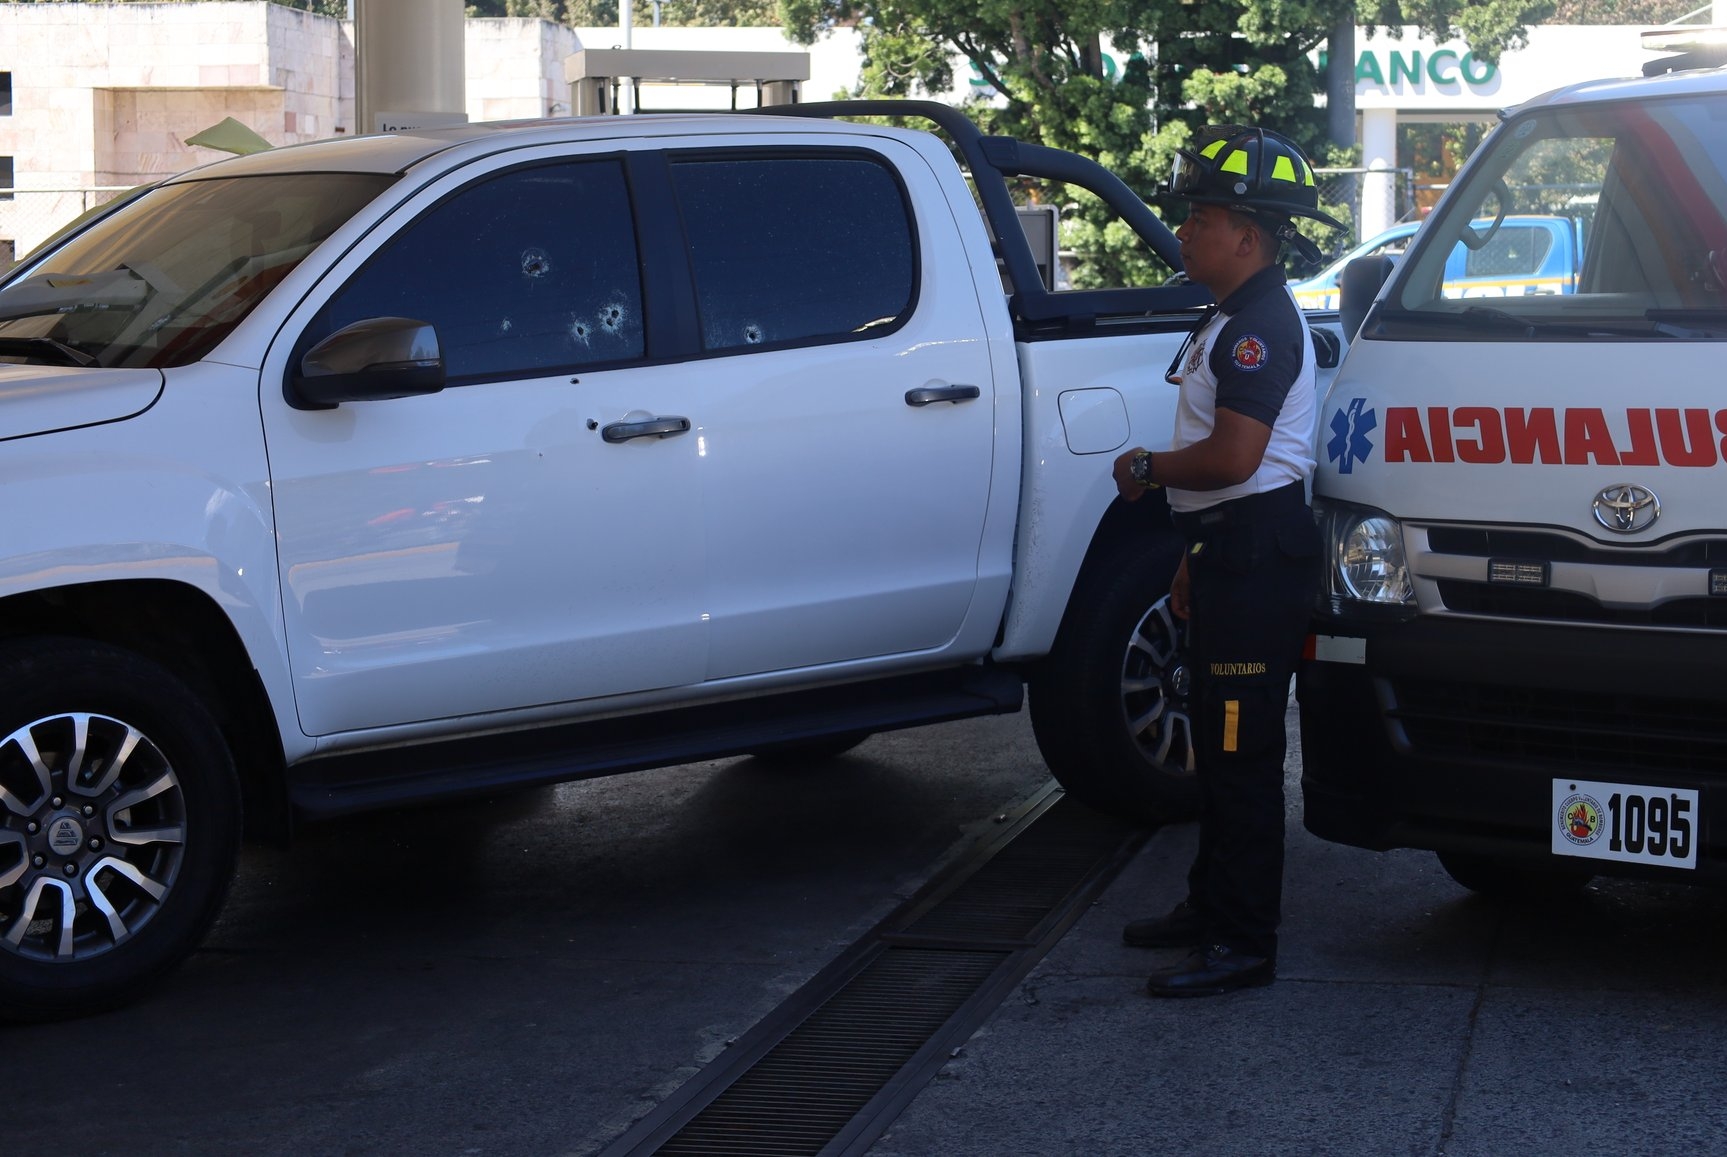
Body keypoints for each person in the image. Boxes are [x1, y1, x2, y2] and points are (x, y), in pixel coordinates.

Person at [1111, 125, 1344, 997]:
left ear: (1245, 236)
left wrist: (1144, 469)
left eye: (1198, 218)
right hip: (1227, 551)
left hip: (1254, 556)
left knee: (1241, 758)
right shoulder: (1235, 314)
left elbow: (1234, 459)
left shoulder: (1258, 329)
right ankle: (1209, 906)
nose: (1184, 231)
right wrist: (1187, 556)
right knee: (1216, 744)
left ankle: (1243, 942)